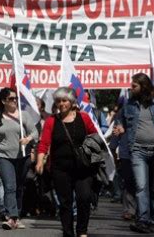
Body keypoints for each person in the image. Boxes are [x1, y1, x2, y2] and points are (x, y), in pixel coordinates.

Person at [36, 87, 97, 237]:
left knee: (84, 198)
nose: (61, 103)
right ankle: (68, 232)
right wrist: (39, 161)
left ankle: (82, 231)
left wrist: (94, 155)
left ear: (71, 101)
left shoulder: (84, 117)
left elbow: (95, 136)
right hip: (60, 169)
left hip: (83, 167)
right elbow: (44, 143)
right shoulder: (51, 121)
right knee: (65, 203)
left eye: (64, 100)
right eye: (58, 101)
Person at [114, 73, 154, 233]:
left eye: (134, 86)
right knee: (141, 186)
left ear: (143, 86)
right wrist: (120, 127)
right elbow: (119, 119)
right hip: (137, 151)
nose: (131, 88)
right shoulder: (129, 104)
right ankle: (143, 219)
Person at [0, 88, 37, 230]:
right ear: (3, 101)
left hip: (23, 157)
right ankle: (11, 217)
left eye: (15, 98)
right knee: (10, 186)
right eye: (11, 99)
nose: (14, 100)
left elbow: (35, 132)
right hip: (3, 157)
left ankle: (17, 216)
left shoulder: (24, 115)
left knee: (19, 187)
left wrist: (28, 139)